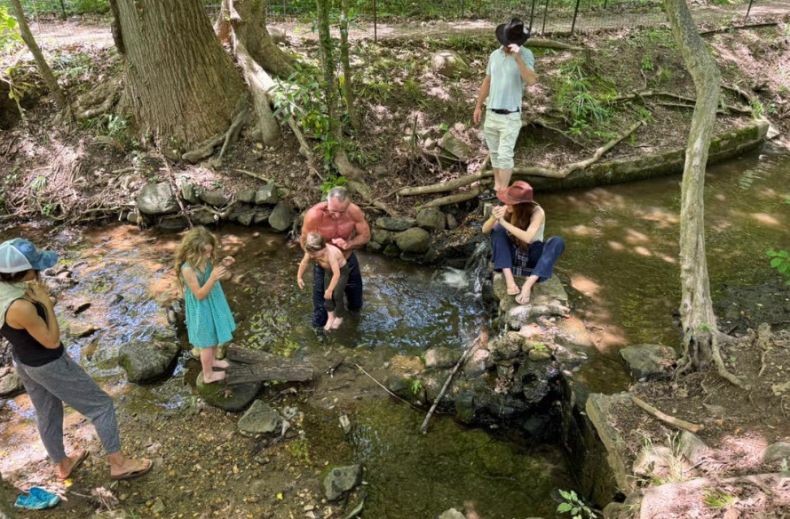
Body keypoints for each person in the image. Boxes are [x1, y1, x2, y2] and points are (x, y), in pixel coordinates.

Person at [0, 238, 152, 481]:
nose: (38, 272)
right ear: (20, 272)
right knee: (101, 406)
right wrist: (47, 304)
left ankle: (62, 464)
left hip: (24, 360)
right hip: (48, 362)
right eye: (35, 268)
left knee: (47, 413)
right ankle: (118, 463)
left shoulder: (6, 291)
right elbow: (51, 341)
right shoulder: (20, 306)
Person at [473, 18, 539, 194]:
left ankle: (503, 192)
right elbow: (487, 80)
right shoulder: (494, 56)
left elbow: (531, 80)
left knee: (505, 155)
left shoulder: (526, 55)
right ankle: (498, 187)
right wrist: (478, 106)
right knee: (494, 154)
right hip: (492, 112)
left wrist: (518, 58)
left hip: (510, 115)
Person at [481, 181, 565, 305]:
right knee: (497, 231)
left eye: (509, 202)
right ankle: (510, 281)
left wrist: (504, 223)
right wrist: (494, 218)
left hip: (533, 256)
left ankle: (528, 284)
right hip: (513, 257)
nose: (506, 204)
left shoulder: (537, 212)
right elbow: (484, 230)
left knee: (557, 242)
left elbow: (528, 238)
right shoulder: (507, 209)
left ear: (521, 205)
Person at [300, 187, 370, 328]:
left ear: (348, 205)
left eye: (341, 212)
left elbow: (365, 236)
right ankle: (320, 337)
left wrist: (348, 244)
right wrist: (318, 258)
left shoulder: (353, 212)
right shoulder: (314, 215)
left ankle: (353, 330)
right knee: (321, 308)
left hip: (346, 261)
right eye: (333, 211)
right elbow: (304, 242)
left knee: (356, 302)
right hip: (323, 264)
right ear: (327, 202)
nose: (337, 215)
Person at [175, 227, 235, 383]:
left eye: (210, 251)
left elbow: (213, 274)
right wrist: (213, 278)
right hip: (202, 309)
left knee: (214, 336)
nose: (209, 255)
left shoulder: (206, 260)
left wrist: (223, 265)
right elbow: (199, 294)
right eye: (205, 252)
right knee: (206, 343)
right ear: (193, 251)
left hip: (213, 303)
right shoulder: (187, 269)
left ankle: (214, 361)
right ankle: (208, 375)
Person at [297, 232, 350, 332]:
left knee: (336, 294)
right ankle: (330, 316)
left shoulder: (331, 254)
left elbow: (337, 274)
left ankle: (339, 315)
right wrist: (299, 277)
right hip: (329, 272)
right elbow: (304, 262)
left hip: (341, 272)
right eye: (311, 254)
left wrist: (330, 290)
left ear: (323, 248)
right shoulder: (311, 251)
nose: (312, 256)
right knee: (326, 295)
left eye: (314, 254)